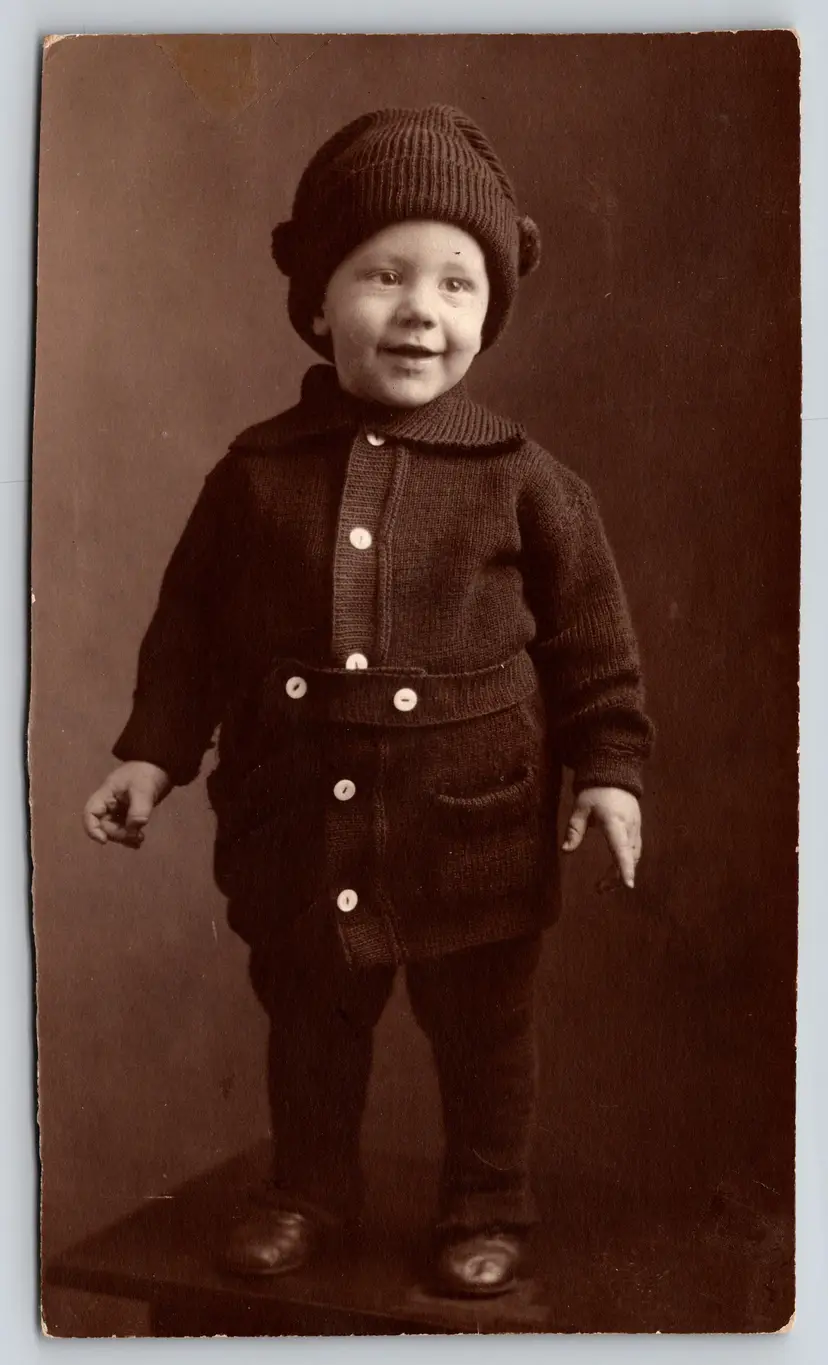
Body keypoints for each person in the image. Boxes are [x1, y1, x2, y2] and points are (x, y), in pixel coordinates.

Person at [83, 104, 654, 1299]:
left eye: (455, 283)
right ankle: (308, 1189)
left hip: (477, 833)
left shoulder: (526, 481)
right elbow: (187, 633)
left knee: (485, 1033)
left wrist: (608, 771)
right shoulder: (254, 475)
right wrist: (151, 752)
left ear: (489, 312)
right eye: (383, 273)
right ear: (318, 299)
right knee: (312, 1020)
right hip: (303, 819)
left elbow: (595, 649)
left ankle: (487, 1201)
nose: (420, 310)